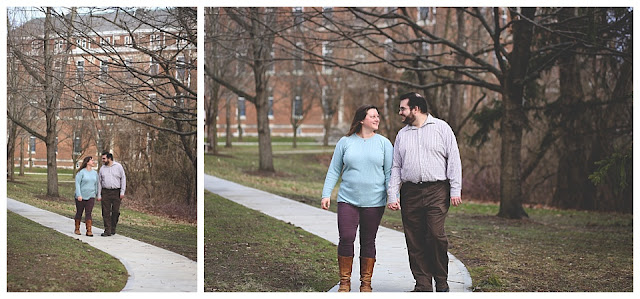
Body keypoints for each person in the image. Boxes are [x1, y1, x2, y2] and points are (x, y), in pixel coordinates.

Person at [387, 92, 462, 292]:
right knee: (414, 238)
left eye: (403, 108)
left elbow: (453, 159)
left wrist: (455, 189)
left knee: (436, 235)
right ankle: (423, 285)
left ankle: (442, 281)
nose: (399, 112)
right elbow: (396, 167)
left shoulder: (442, 128)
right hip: (410, 191)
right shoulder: (402, 134)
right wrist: (392, 194)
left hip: (437, 190)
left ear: (416, 109)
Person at [321, 105, 393, 292]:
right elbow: (334, 170)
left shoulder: (384, 143)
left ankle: (365, 284)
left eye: (378, 116)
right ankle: (344, 282)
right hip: (348, 199)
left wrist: (393, 196)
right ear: (362, 119)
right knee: (346, 237)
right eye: (372, 116)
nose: (377, 119)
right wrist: (326, 194)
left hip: (375, 201)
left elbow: (389, 173)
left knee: (368, 241)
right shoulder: (345, 142)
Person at [97, 151, 127, 237]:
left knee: (115, 211)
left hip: (116, 192)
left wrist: (122, 191)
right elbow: (99, 182)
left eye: (104, 158)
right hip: (105, 192)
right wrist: (99, 194)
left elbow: (123, 179)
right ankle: (107, 230)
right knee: (105, 212)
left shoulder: (118, 167)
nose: (102, 160)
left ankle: (113, 228)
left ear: (109, 158)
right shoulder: (102, 169)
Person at [74, 156, 99, 237]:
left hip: (91, 195)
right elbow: (77, 184)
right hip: (81, 196)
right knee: (79, 212)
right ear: (87, 162)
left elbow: (96, 184)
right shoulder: (81, 172)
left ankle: (89, 230)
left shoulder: (95, 173)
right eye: (92, 160)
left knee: (89, 213)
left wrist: (97, 194)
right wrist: (79, 195)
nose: (93, 162)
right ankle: (77, 228)